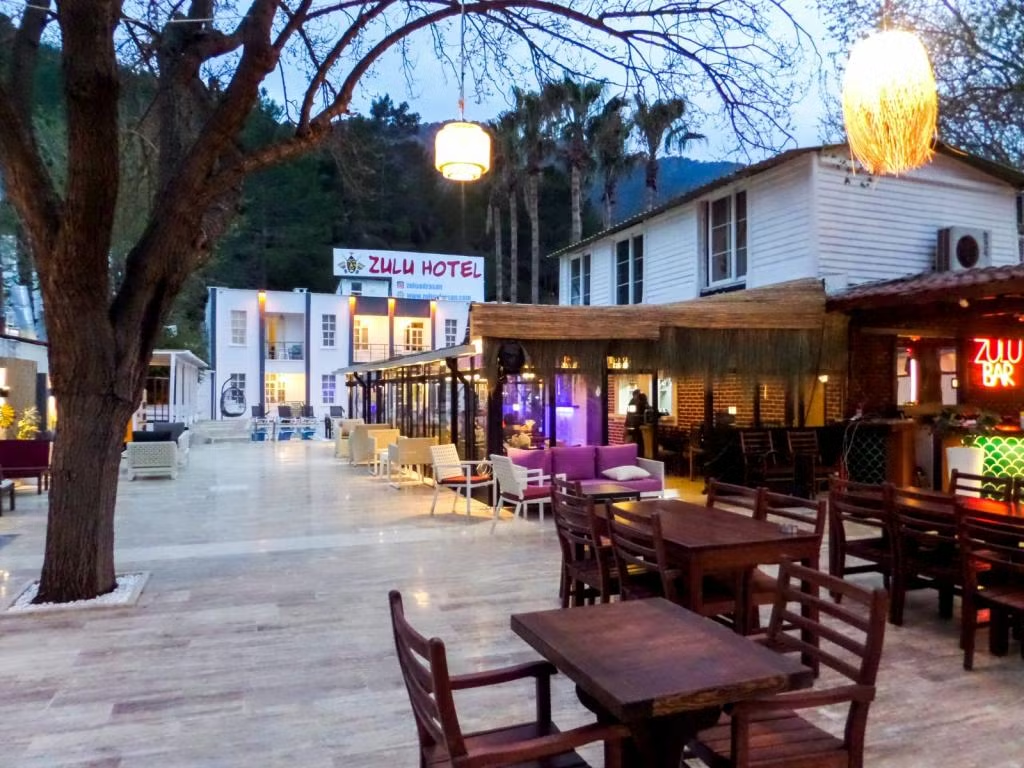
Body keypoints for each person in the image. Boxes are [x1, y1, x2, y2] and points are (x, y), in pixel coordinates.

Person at [626, 389, 649, 456]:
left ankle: (637, 455)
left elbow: (629, 415)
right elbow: (630, 415)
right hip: (635, 425)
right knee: (638, 442)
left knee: (638, 442)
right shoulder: (633, 402)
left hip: (636, 425)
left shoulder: (637, 402)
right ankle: (638, 455)